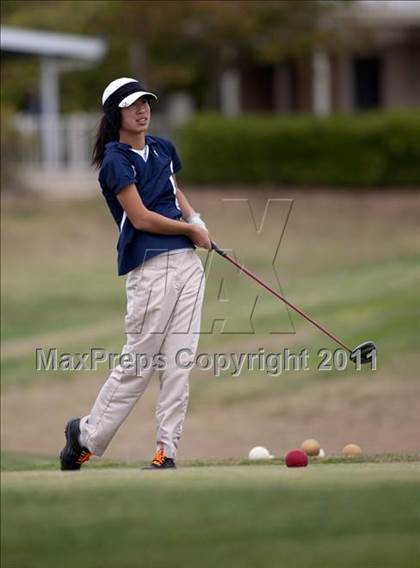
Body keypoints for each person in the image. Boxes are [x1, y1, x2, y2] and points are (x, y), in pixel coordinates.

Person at [60, 77, 211, 471]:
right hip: (150, 270)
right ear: (116, 114)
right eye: (131, 105)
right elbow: (141, 217)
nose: (142, 110)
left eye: (145, 102)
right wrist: (189, 230)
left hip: (187, 268)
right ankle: (86, 437)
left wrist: (196, 219)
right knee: (139, 366)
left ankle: (166, 452)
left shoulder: (163, 148)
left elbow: (175, 193)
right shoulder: (115, 160)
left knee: (179, 364)